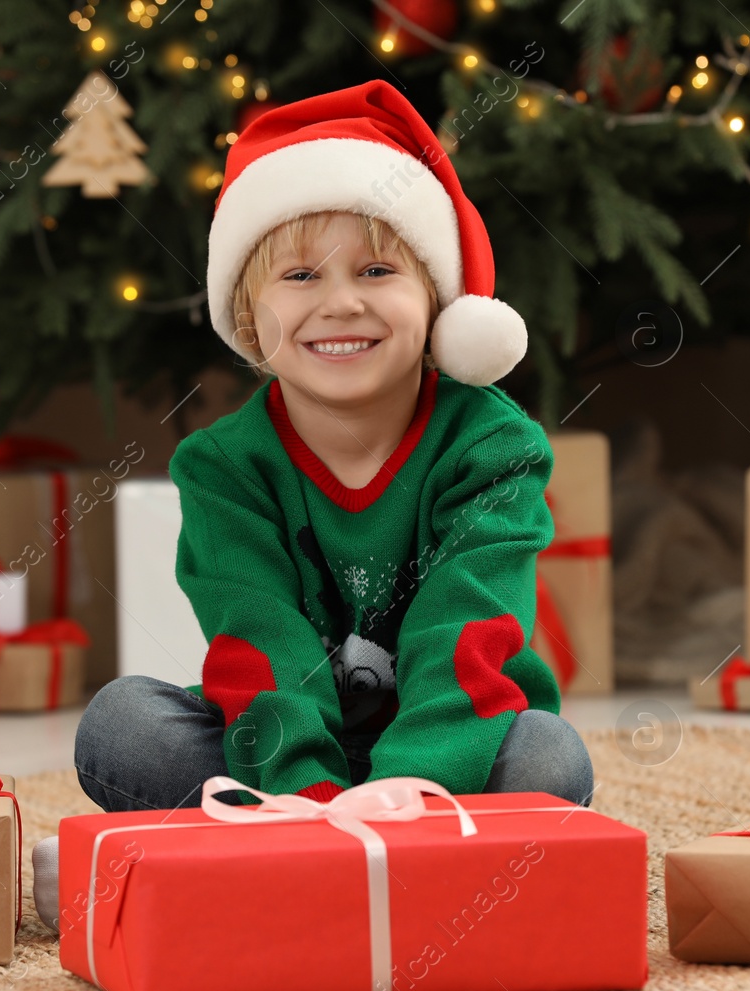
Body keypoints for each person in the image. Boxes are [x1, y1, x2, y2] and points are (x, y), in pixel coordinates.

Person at [32, 81, 593, 932]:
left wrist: (402, 796)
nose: (341, 303)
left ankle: (245, 856)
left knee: (548, 756)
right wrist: (320, 799)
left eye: (378, 270)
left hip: (451, 747)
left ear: (437, 302)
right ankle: (347, 859)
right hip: (285, 749)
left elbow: (468, 635)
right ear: (253, 323)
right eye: (300, 275)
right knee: (123, 725)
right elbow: (262, 645)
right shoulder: (223, 467)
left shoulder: (491, 447)